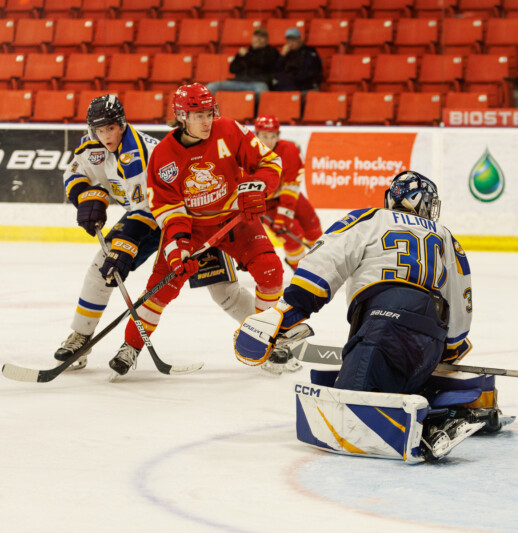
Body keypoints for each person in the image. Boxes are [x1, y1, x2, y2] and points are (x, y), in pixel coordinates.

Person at [56, 95, 254, 370]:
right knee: (102, 268)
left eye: (110, 129)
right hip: (148, 216)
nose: (104, 136)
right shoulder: (92, 145)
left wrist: (125, 246)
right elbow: (76, 172)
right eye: (99, 130)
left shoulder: (140, 153)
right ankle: (81, 336)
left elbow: (150, 209)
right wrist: (87, 197)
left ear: (122, 124)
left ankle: (271, 335)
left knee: (223, 291)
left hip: (189, 218)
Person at [234, 171, 473, 391]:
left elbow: (325, 261)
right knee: (406, 390)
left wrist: (289, 311)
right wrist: (451, 347)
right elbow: (461, 298)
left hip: (382, 320)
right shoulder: (445, 235)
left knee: (353, 402)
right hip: (431, 331)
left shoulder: (371, 218)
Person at [107, 83, 284, 379]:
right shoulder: (164, 156)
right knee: (162, 287)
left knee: (271, 271)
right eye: (198, 115)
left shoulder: (229, 130)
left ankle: (264, 338)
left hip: (234, 218)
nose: (206, 121)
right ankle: (131, 346)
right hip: (194, 226)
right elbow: (169, 209)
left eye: (209, 113)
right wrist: (179, 247)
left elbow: (269, 161)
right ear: (181, 116)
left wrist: (259, 187)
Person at [254, 114, 322, 271]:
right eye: (264, 136)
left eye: (273, 136)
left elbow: (291, 185)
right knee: (293, 235)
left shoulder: (289, 150)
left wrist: (284, 214)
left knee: (313, 226)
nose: (269, 141)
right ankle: (300, 270)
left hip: (288, 196)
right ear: (256, 135)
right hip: (265, 201)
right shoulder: (248, 153)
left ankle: (320, 263)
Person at [206, 27, 279, 106]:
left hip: (257, 83)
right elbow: (232, 69)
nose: (258, 39)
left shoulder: (271, 51)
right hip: (237, 82)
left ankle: (256, 116)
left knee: (262, 91)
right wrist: (241, 57)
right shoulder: (244, 51)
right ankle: (212, 115)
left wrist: (247, 56)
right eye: (256, 36)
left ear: (266, 40)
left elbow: (264, 64)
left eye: (261, 37)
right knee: (211, 87)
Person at [271, 27, 323, 93]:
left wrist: (289, 78)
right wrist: (282, 55)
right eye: (288, 41)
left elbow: (308, 72)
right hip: (291, 84)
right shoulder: (289, 53)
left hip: (306, 84)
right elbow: (277, 70)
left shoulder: (310, 51)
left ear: (299, 39)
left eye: (293, 40)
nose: (291, 43)